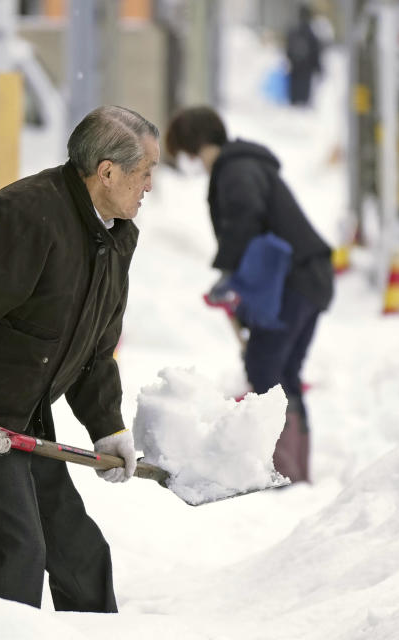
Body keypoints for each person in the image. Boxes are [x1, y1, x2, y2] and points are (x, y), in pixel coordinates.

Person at [0, 106, 160, 611]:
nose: (149, 186)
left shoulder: (116, 236)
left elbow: (95, 349)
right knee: (17, 552)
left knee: (80, 555)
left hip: (27, 416)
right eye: (144, 173)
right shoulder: (27, 216)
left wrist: (107, 428)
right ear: (108, 171)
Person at [165, 106, 333, 484]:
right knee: (281, 370)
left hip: (295, 280)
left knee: (265, 368)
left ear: (194, 145)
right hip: (307, 277)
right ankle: (294, 471)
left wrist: (228, 273)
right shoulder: (243, 165)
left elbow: (244, 216)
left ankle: (284, 470)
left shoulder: (235, 169)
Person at [285, 4, 323, 106]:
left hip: (295, 69)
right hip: (306, 71)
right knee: (303, 101)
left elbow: (288, 50)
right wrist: (318, 67)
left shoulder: (293, 31)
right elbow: (316, 52)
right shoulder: (311, 33)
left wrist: (289, 61)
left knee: (295, 100)